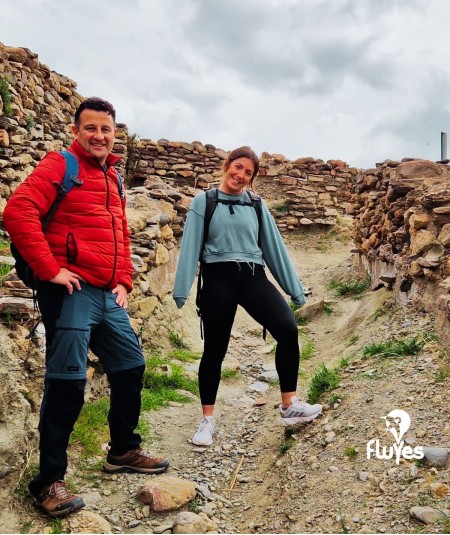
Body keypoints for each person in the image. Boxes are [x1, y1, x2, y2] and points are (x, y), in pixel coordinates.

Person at [3, 97, 169, 517]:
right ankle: (48, 482)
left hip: (106, 293)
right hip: (71, 292)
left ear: (115, 133)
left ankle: (123, 451)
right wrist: (50, 268)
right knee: (67, 383)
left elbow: (120, 234)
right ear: (77, 131)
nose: (98, 135)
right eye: (90, 128)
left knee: (131, 366)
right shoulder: (62, 165)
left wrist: (126, 279)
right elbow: (18, 210)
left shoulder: (113, 176)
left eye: (106, 129)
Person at [173, 146, 322, 447]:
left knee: (288, 330)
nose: (240, 175)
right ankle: (207, 420)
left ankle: (289, 405)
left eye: (248, 173)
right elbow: (189, 247)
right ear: (227, 165)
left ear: (253, 178)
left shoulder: (256, 204)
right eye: (237, 167)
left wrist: (294, 290)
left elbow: (274, 248)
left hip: (253, 277)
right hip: (217, 280)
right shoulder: (205, 201)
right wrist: (181, 291)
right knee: (215, 351)